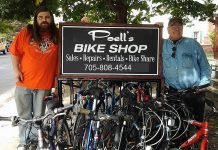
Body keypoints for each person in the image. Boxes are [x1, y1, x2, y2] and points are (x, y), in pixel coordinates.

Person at [9, 6, 59, 150]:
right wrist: (16, 70)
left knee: (38, 117)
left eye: (47, 17)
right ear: (36, 19)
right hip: (24, 82)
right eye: (41, 17)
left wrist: (83, 23)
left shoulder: (57, 34)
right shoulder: (27, 32)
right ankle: (25, 143)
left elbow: (74, 37)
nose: (44, 20)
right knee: (24, 116)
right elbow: (14, 51)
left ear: (51, 19)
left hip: (44, 84)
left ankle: (36, 143)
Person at [162, 17, 212, 122]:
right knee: (177, 127)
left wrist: (203, 84)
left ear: (182, 28)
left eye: (179, 26)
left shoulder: (193, 44)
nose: (176, 28)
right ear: (167, 29)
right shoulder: (161, 45)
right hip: (173, 93)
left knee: (197, 124)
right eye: (173, 26)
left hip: (195, 92)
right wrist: (156, 28)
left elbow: (205, 66)